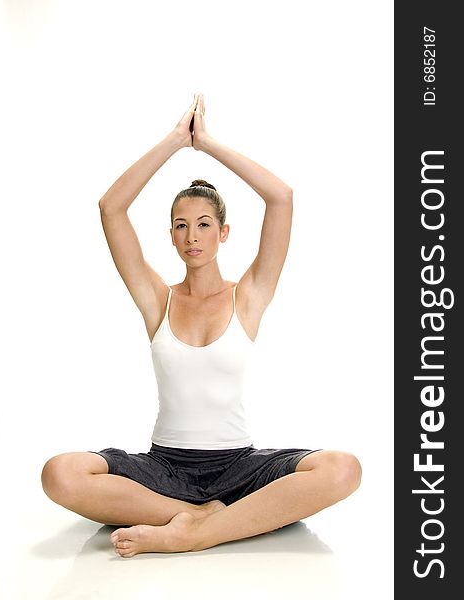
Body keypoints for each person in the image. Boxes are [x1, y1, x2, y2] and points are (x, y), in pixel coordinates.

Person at [41, 93, 362, 558]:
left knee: (343, 469)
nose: (193, 237)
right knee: (59, 473)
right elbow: (112, 208)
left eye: (205, 224)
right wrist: (175, 141)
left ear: (224, 232)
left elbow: (281, 197)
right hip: (163, 468)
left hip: (239, 467)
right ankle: (198, 513)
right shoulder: (157, 299)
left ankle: (194, 531)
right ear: (170, 235)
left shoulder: (248, 295)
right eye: (181, 225)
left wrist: (206, 144)